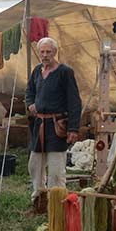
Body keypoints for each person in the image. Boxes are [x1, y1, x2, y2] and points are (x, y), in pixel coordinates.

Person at [26, 37, 82, 210]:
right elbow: (29, 91)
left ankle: (57, 204)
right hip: (40, 125)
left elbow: (74, 102)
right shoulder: (37, 71)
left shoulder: (65, 72)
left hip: (57, 125)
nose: (44, 55)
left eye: (48, 52)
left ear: (55, 52)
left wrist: (73, 128)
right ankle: (39, 200)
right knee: (35, 165)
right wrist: (30, 104)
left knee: (56, 169)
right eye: (42, 52)